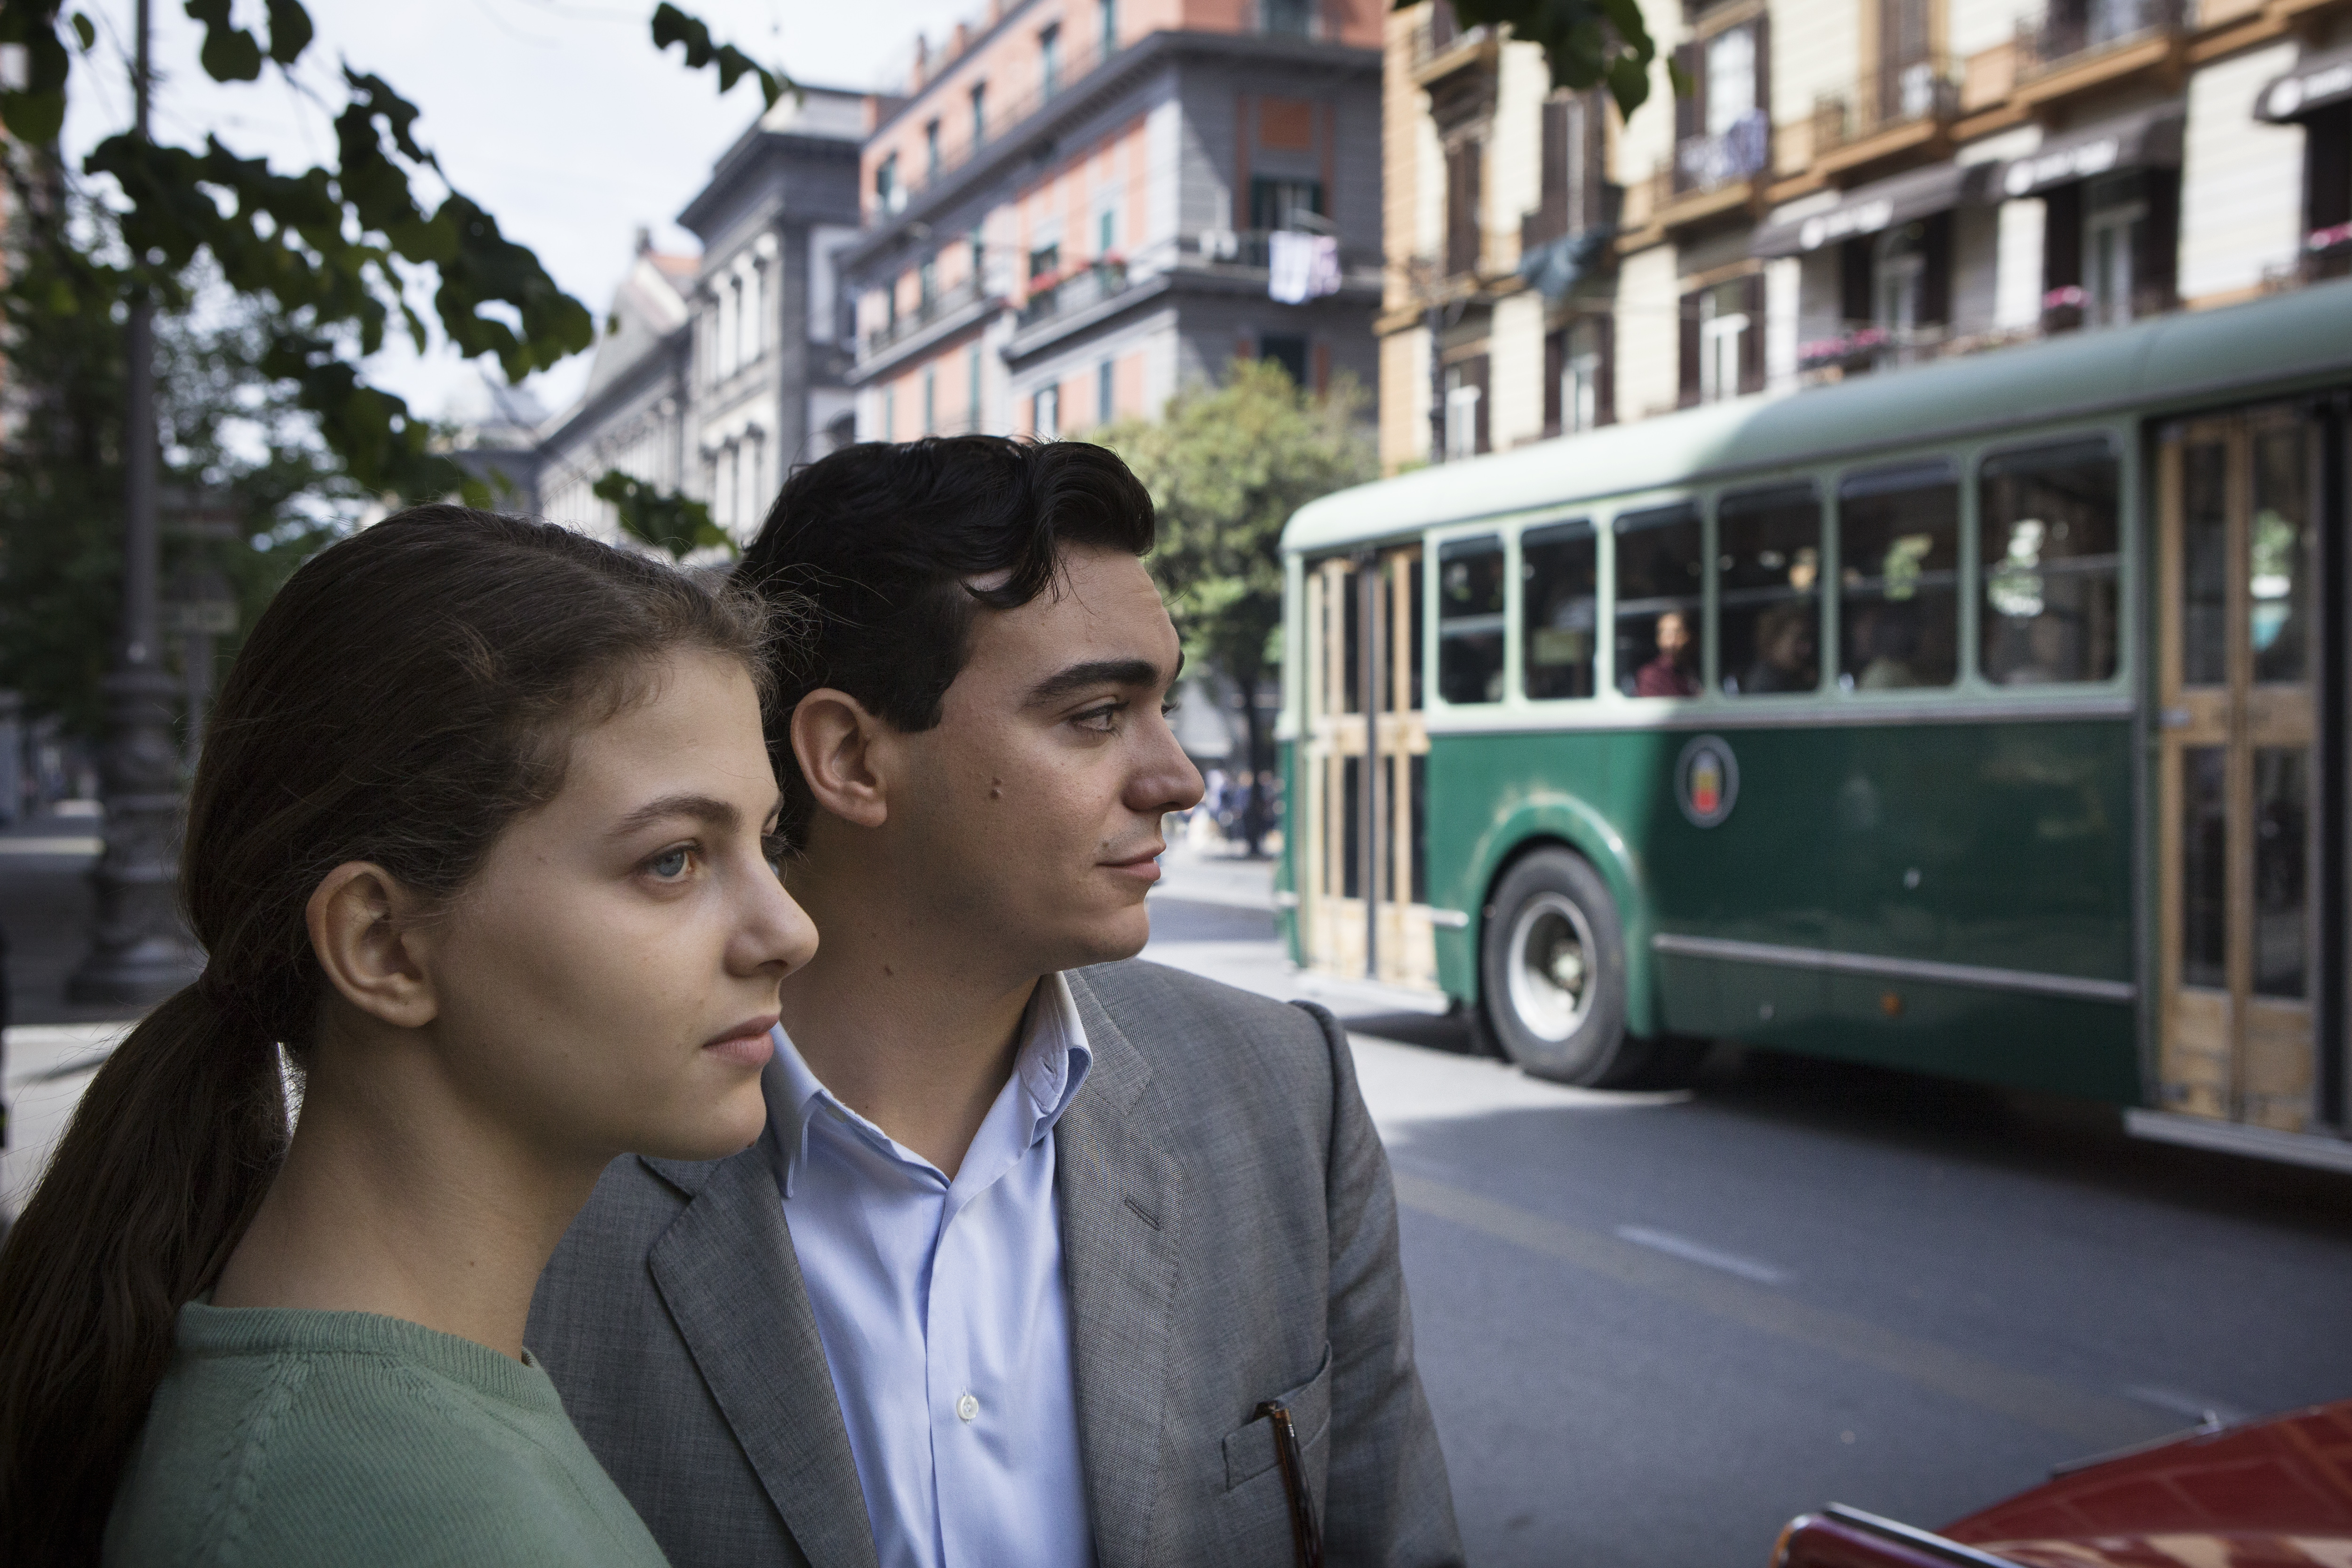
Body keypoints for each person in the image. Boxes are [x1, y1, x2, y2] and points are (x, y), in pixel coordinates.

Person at [530, 437, 1463, 1568]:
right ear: (850, 759)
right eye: (1094, 714)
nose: (1178, 780)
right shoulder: (556, 1177)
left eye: (1158, 703)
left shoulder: (1279, 1091)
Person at [0, 508, 819, 1567]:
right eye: (672, 860)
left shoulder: (393, 1408)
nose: (790, 930)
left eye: (765, 842)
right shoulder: (367, 1502)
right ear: (382, 944)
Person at [1736, 600, 1817, 694]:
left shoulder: (1790, 677)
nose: (1808, 649)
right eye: (1799, 640)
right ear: (1775, 640)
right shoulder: (1765, 684)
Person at [1633, 608, 1699, 697]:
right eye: (1665, 633)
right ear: (1658, 639)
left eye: (1678, 632)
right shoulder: (1651, 676)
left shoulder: (1695, 670)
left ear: (1688, 636)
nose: (1671, 641)